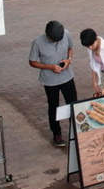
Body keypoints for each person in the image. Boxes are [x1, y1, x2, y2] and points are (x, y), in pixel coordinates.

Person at [28, 20, 78, 148]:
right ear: (47, 35)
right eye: (54, 40)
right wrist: (49, 67)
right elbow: (32, 62)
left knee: (73, 104)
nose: (57, 42)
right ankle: (57, 133)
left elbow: (70, 48)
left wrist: (69, 60)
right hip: (50, 81)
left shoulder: (66, 34)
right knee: (53, 106)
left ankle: (76, 130)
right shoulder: (37, 42)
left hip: (67, 76)